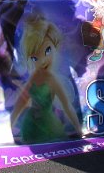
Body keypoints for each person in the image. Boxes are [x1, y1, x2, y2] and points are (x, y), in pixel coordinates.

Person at [10, 16, 82, 144]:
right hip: (30, 125)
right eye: (34, 58)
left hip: (48, 125)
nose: (42, 61)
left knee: (50, 145)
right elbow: (21, 102)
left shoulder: (51, 79)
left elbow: (66, 105)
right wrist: (10, 125)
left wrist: (78, 128)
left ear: (55, 47)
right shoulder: (33, 78)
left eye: (47, 50)